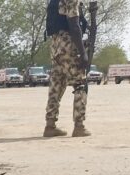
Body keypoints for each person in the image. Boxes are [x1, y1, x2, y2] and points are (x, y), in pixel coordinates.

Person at [44, 0, 90, 137]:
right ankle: (79, 125)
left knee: (56, 85)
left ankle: (50, 125)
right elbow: (74, 25)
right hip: (68, 44)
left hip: (55, 45)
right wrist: (83, 53)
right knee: (80, 83)